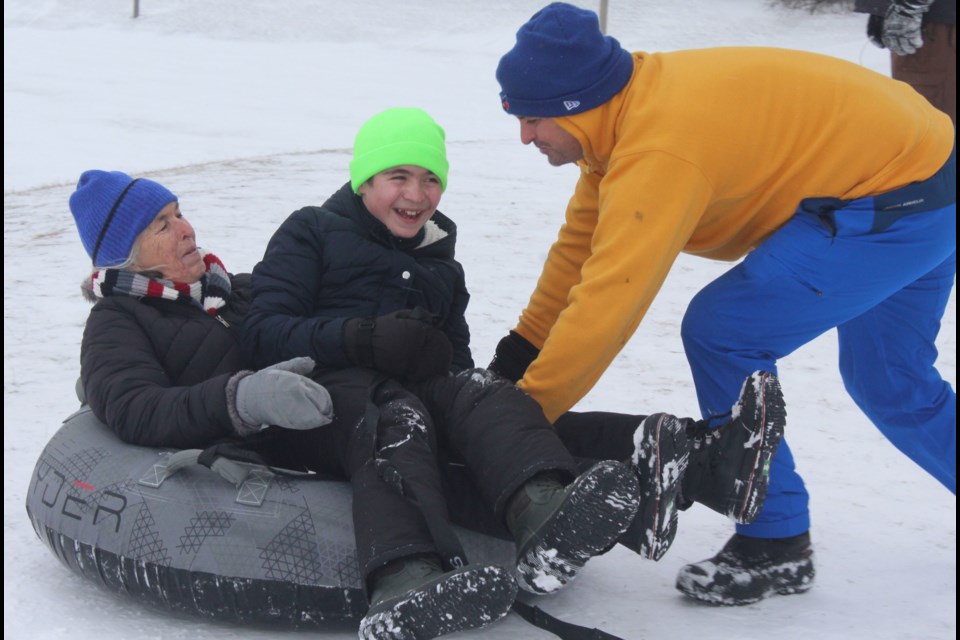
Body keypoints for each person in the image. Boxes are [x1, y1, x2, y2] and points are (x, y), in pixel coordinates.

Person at [242, 107, 785, 638]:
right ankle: (403, 580)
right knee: (396, 413)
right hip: (319, 403)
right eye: (398, 176)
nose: (416, 194)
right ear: (364, 181)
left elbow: (455, 363)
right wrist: (360, 337)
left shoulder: (440, 264)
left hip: (405, 395)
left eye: (431, 179)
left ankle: (566, 504)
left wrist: (440, 362)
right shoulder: (312, 230)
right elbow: (260, 331)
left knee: (486, 393)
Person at [491, 2, 956, 607]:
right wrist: (518, 353)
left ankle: (776, 541)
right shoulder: (619, 123)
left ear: (577, 104)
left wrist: (522, 416)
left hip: (893, 200)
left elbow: (611, 300)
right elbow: (579, 252)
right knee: (890, 378)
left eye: (532, 119)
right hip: (931, 175)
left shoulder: (658, 149)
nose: (524, 135)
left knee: (722, 331)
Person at [73, 169, 335, 455]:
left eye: (179, 214)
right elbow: (134, 408)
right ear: (127, 260)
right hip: (238, 476)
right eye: (162, 226)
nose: (187, 230)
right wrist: (241, 400)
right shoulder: (116, 320)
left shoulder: (238, 287)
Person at [855, 0, 956, 123]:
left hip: (936, 25)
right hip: (920, 19)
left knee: (932, 120)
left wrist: (908, 7)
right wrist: (880, 10)